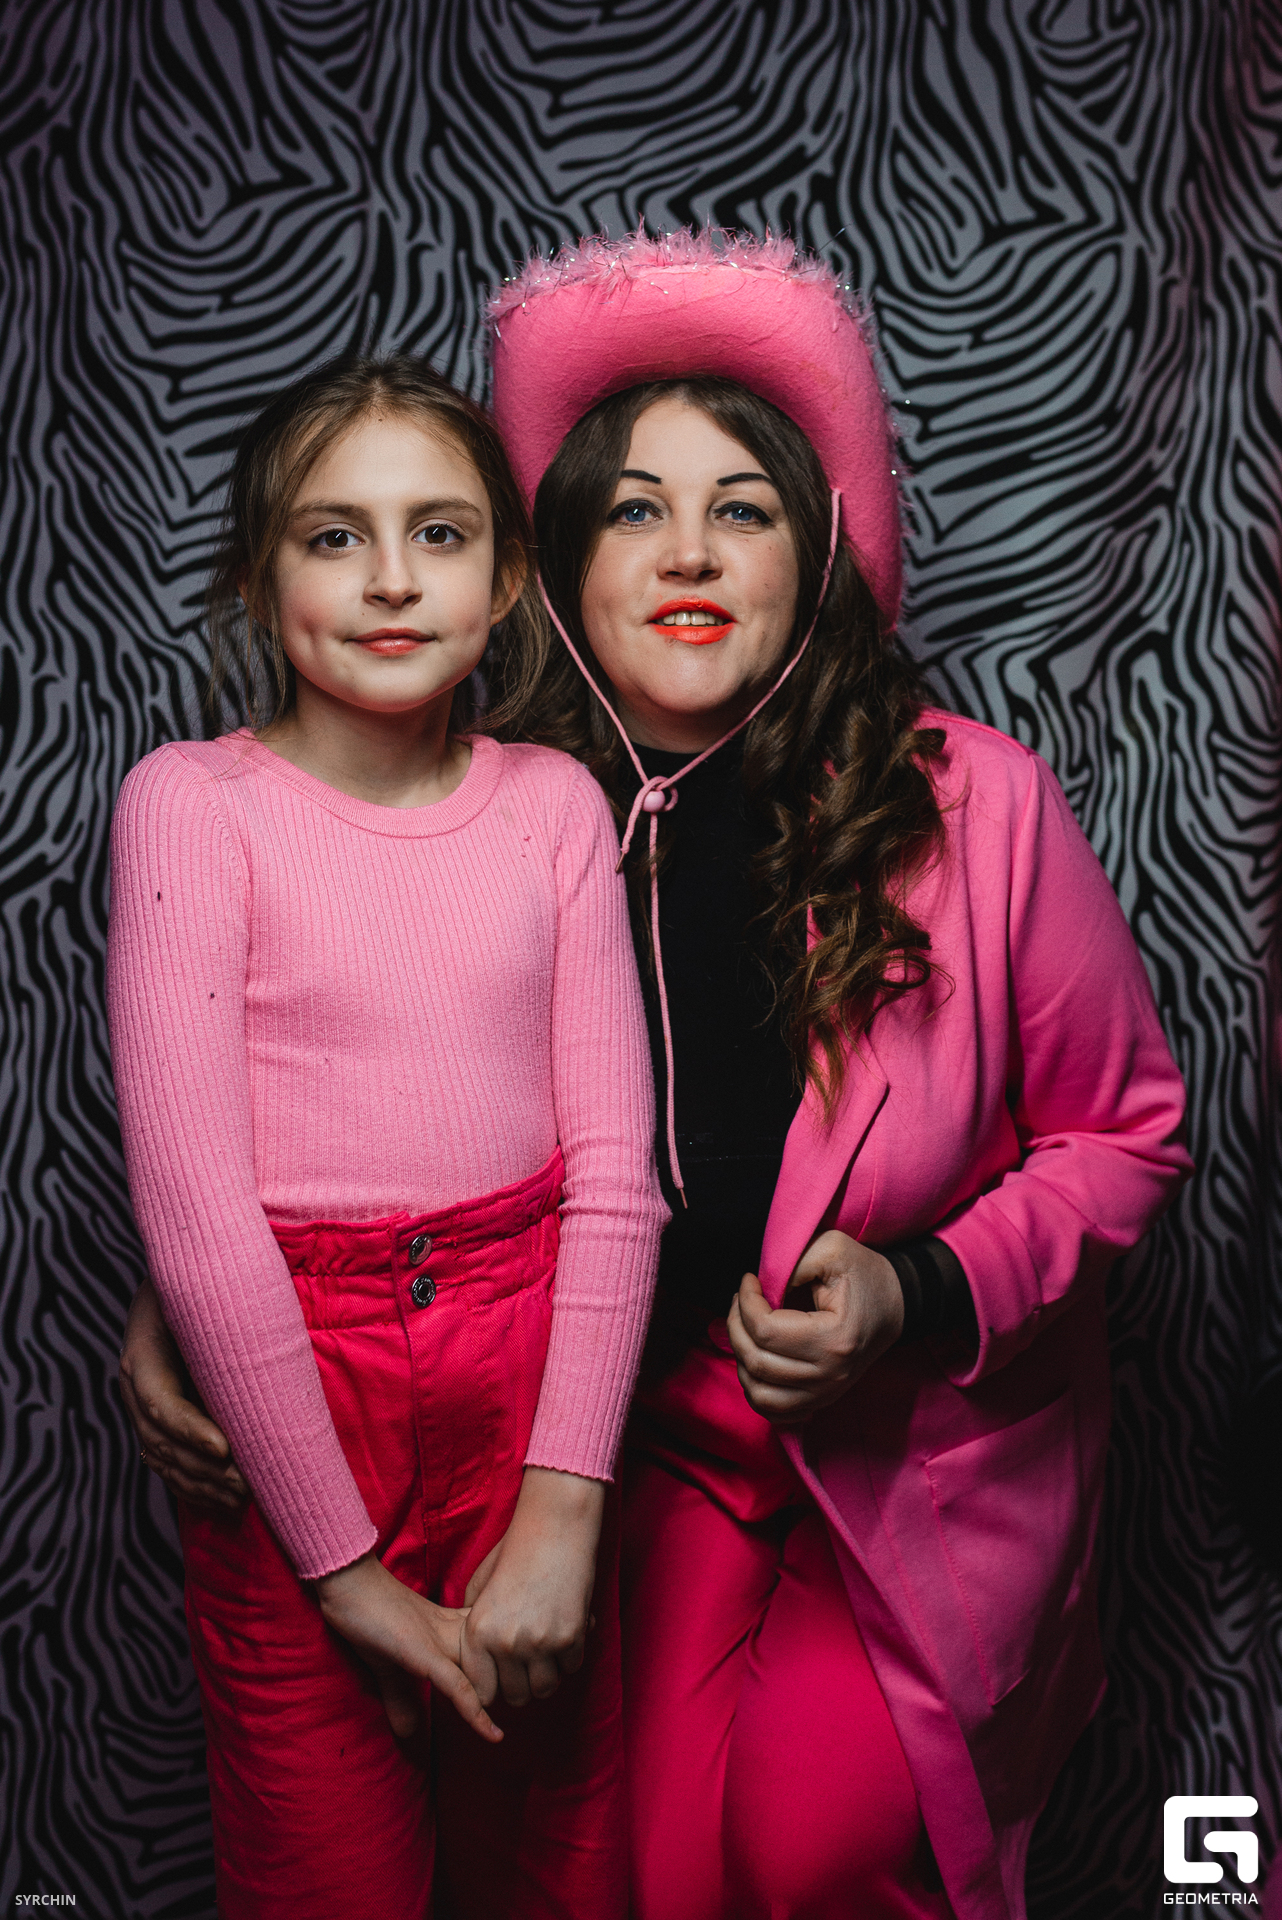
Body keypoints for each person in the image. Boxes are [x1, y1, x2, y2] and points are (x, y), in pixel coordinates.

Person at [122, 232, 1192, 1920]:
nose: (687, 550)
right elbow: (341, 1095)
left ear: (818, 555)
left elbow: (1126, 1136)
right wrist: (181, 1304)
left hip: (914, 1447)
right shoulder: (511, 803)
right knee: (655, 1870)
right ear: (549, 569)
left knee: (809, 1844)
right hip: (642, 1438)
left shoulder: (975, 805)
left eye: (741, 509)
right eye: (634, 509)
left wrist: (914, 1288)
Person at [106, 353, 666, 1920]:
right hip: (292, 1389)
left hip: (532, 1370)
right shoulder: (193, 806)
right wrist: (342, 1576)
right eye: (333, 535)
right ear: (256, 576)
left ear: (506, 580)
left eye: (439, 532)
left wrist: (563, 1504)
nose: (392, 579)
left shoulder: (554, 805)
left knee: (554, 1871)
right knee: (322, 1877)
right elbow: (199, 1219)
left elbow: (615, 1176)